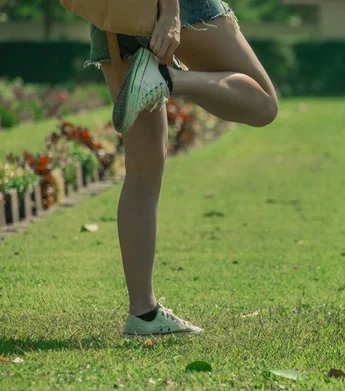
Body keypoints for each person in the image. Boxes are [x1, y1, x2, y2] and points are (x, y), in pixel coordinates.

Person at [85, 0, 278, 336]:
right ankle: (168, 78)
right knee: (263, 103)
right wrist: (171, 14)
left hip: (113, 13)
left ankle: (143, 314)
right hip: (173, 7)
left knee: (143, 168)